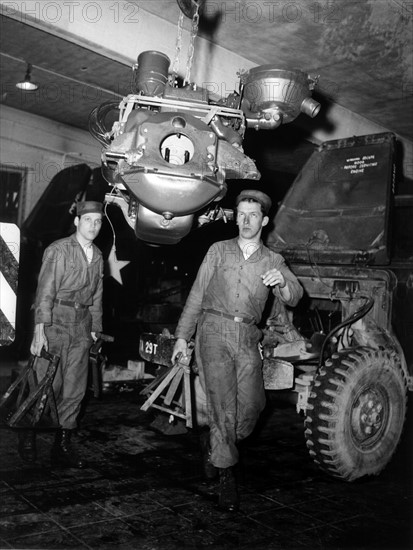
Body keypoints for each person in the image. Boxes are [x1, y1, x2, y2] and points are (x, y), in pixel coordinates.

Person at [171, 189, 303, 511]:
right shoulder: (218, 251)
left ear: (264, 220)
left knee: (253, 407)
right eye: (241, 214)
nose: (245, 221)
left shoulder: (273, 260)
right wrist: (180, 337)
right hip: (213, 331)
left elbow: (297, 295)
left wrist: (282, 283)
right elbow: (197, 295)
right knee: (223, 406)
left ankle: (215, 441)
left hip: (247, 336)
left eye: (253, 215)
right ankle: (226, 477)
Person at [17, 201, 104, 468]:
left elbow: (98, 296)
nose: (93, 226)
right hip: (55, 323)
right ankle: (28, 434)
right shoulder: (59, 250)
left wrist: (94, 331)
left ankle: (62, 444)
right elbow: (45, 292)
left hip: (81, 327)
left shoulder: (98, 255)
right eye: (88, 220)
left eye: (98, 221)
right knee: (46, 384)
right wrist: (39, 330)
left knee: (75, 389)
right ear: (77, 222)